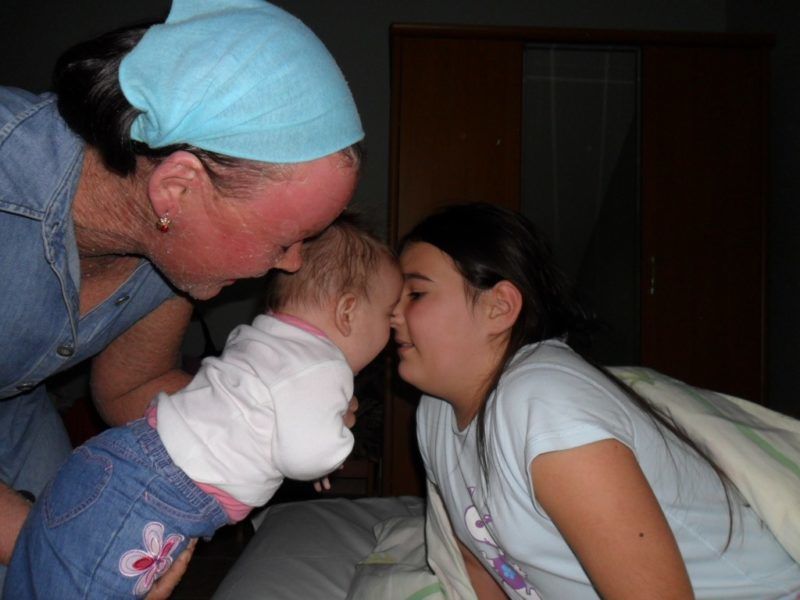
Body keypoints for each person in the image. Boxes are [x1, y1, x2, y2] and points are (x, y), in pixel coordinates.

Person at [0, 0, 363, 595]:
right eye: (285, 240)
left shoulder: (172, 254)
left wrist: (266, 411)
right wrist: (67, 552)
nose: (294, 263)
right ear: (178, 187)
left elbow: (130, 387)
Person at [390, 203, 800, 599]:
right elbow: (482, 559)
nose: (393, 313)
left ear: (499, 307)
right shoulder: (436, 413)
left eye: (416, 293)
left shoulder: (544, 403)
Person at [5, 215, 402, 598]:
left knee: (38, 577)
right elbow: (303, 455)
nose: (395, 326)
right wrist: (334, 445)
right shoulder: (326, 366)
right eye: (387, 315)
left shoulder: (262, 334)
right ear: (347, 312)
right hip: (163, 494)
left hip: (127, 454)